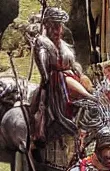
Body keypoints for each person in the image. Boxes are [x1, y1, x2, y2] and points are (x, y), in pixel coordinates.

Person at [30, 7, 94, 145]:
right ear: (47, 26)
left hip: (68, 77)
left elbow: (72, 63)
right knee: (66, 81)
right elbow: (45, 74)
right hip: (56, 84)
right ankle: (88, 97)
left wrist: (76, 70)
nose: (58, 30)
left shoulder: (63, 45)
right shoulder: (42, 44)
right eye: (54, 26)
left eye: (59, 26)